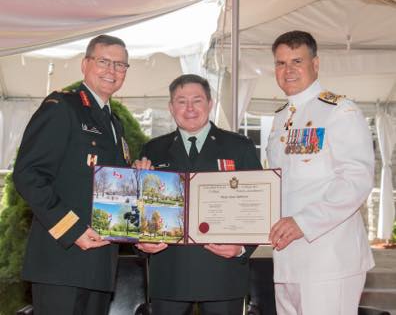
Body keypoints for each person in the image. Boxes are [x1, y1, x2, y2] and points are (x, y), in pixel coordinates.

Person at [13, 34, 131, 315]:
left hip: (100, 266)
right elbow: (28, 174)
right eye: (103, 61)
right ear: (85, 64)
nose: (111, 71)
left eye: (120, 65)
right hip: (61, 262)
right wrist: (73, 229)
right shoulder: (63, 107)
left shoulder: (115, 123)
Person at [134, 74, 262, 315]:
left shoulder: (239, 146)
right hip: (169, 274)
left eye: (197, 100)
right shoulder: (153, 149)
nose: (190, 108)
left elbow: (258, 206)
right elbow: (138, 208)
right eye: (181, 101)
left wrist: (243, 247)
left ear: (210, 104)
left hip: (222, 274)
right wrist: (141, 243)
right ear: (171, 107)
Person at [267, 30, 375, 315]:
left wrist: (303, 222)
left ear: (315, 64)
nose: (287, 70)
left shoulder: (340, 111)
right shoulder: (280, 118)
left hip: (329, 258)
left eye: (296, 61)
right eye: (280, 63)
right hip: (286, 259)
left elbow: (356, 180)